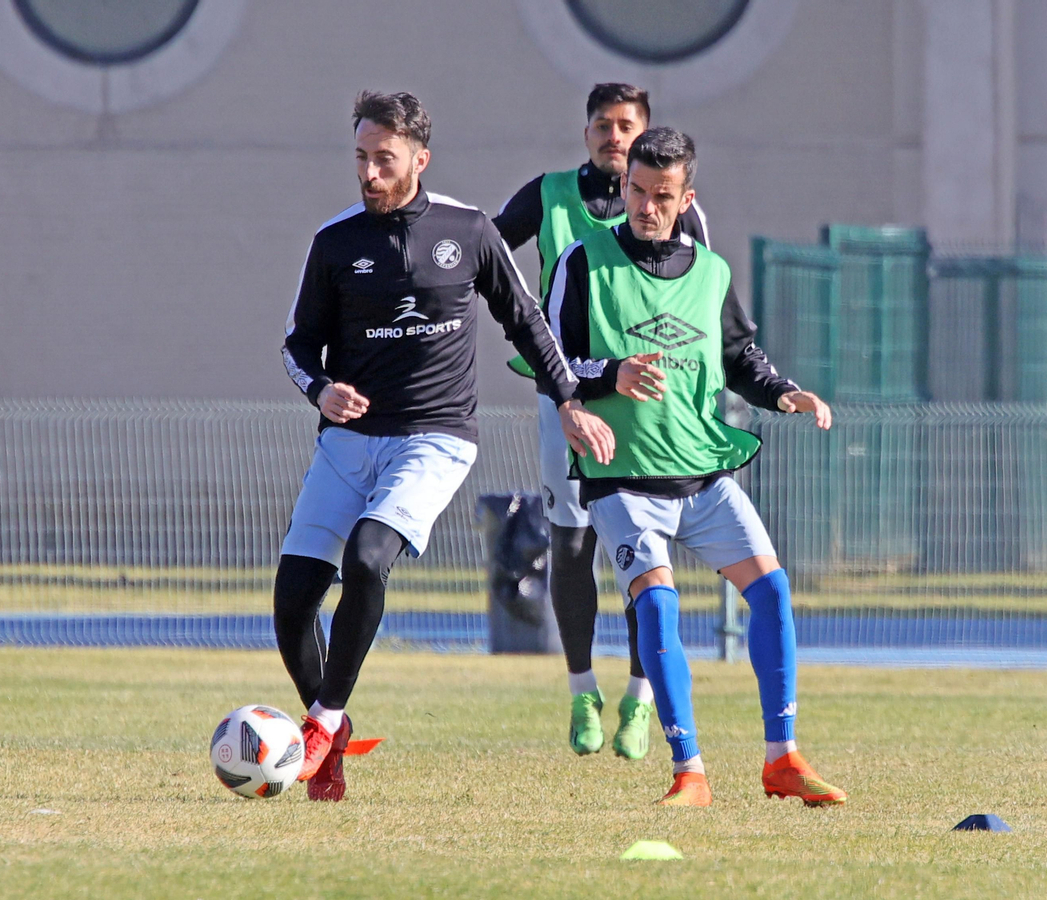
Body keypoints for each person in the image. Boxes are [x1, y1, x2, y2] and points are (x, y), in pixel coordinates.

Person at [276, 91, 615, 802]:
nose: (369, 173)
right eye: (361, 157)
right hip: (347, 442)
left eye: (384, 159)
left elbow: (526, 321)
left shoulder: (468, 230)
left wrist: (569, 400)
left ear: (420, 160)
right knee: (292, 601)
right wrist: (322, 390)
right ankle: (330, 729)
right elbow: (298, 346)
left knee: (368, 557)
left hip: (434, 437)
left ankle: (323, 721)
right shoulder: (334, 243)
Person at [551, 127, 844, 807]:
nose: (646, 206)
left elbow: (741, 358)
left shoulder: (711, 272)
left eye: (662, 196)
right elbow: (550, 359)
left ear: (686, 199)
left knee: (771, 591)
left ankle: (782, 758)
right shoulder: (584, 261)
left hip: (704, 475)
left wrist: (784, 393)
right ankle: (690, 772)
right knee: (657, 601)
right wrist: (610, 375)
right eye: (637, 191)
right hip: (622, 478)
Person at [492, 83, 710, 761]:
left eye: (626, 125)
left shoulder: (679, 209)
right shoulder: (549, 196)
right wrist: (524, 321)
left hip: (649, 403)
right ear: (586, 132)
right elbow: (483, 254)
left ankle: (640, 700)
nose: (614, 136)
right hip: (568, 393)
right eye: (602, 125)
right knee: (571, 540)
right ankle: (582, 690)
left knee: (647, 549)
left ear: (645, 134)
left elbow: (705, 299)